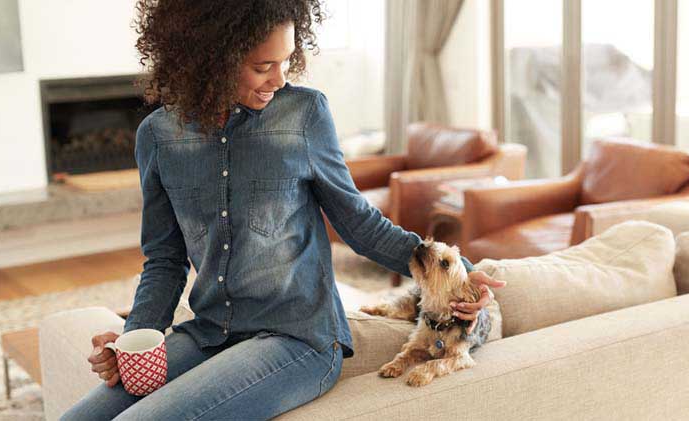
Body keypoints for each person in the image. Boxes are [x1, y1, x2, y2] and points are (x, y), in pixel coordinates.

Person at [62, 1, 504, 419]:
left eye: (286, 60)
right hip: (210, 331)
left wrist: (459, 272)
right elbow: (164, 259)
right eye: (262, 66)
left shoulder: (304, 114)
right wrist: (135, 339)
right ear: (210, 61)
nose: (279, 78)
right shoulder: (157, 137)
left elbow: (359, 223)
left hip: (298, 340)